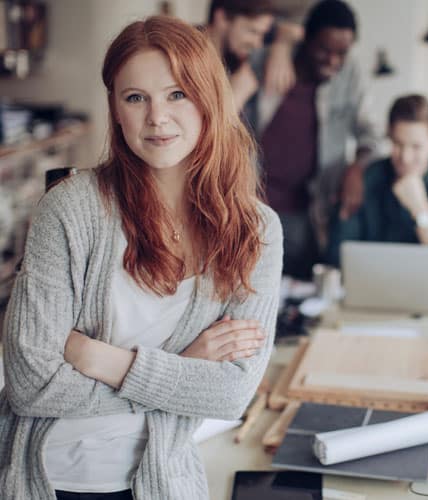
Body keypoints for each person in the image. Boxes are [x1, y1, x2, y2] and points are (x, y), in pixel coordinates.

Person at [1, 15, 282, 500]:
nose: (157, 118)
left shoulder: (255, 231)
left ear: (209, 98)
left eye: (177, 94)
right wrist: (181, 367)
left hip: (163, 483)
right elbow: (29, 384)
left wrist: (97, 357)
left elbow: (231, 393)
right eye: (136, 98)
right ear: (115, 109)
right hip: (49, 480)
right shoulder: (72, 208)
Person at [247, 0, 378, 278]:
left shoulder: (350, 73)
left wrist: (357, 168)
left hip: (308, 214)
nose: (333, 61)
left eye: (342, 53)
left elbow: (370, 134)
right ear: (305, 38)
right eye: (324, 50)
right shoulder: (265, 60)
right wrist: (280, 45)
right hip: (251, 204)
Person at [325, 94, 428, 266]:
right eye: (398, 144)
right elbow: (336, 255)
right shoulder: (363, 181)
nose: (406, 158)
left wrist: (420, 210)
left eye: (416, 147)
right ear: (389, 134)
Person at [205, 0, 275, 111]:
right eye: (252, 31)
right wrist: (235, 97)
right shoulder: (185, 56)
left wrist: (283, 44)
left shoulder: (234, 59)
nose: (257, 44)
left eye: (262, 34)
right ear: (222, 18)